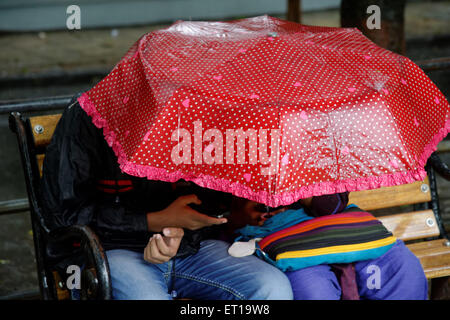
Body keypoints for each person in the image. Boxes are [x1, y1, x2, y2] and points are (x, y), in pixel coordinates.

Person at [40, 95, 293, 300]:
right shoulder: (88, 116)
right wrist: (153, 221)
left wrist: (179, 232)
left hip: (193, 252)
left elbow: (209, 199)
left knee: (272, 287)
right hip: (112, 254)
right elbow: (64, 215)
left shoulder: (199, 109)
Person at [225, 193, 428, 300]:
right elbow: (226, 218)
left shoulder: (318, 140)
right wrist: (251, 212)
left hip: (339, 229)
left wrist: (305, 189)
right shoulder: (239, 146)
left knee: (402, 267)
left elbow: (333, 204)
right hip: (287, 243)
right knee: (311, 290)